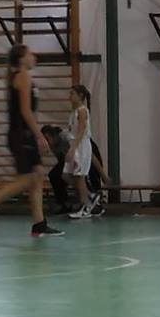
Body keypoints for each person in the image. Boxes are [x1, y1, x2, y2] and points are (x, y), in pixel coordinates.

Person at [0, 44, 63, 238]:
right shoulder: (23, 76)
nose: (33, 56)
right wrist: (39, 135)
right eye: (30, 53)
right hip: (21, 135)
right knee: (27, 179)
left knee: (38, 175)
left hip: (24, 134)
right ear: (22, 58)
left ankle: (39, 224)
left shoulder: (22, 76)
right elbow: (25, 111)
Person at [62, 85, 94, 221]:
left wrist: (73, 148)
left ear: (80, 95)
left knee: (79, 176)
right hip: (74, 144)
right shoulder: (74, 112)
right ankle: (90, 195)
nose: (69, 96)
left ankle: (86, 206)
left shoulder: (82, 110)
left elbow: (81, 131)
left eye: (72, 94)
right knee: (66, 175)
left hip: (80, 146)